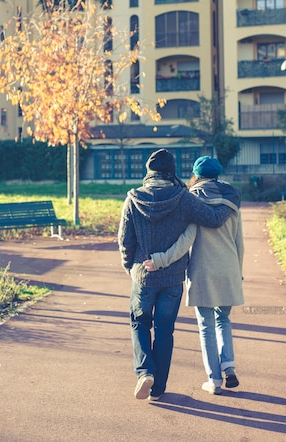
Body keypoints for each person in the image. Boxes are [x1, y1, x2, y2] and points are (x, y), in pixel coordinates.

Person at [118, 149, 234, 402]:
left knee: (139, 323)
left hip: (143, 275)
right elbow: (213, 219)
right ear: (171, 172)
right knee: (164, 330)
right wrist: (231, 200)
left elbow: (125, 241)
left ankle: (145, 371)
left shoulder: (133, 198)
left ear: (149, 173)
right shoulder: (183, 197)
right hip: (172, 278)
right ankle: (158, 388)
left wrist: (131, 269)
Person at [144, 156, 244, 396]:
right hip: (229, 268)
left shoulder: (192, 199)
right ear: (218, 174)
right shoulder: (232, 200)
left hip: (203, 270)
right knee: (224, 320)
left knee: (206, 325)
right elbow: (239, 242)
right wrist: (238, 272)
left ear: (196, 174)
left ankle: (214, 380)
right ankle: (228, 365)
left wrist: (160, 261)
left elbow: (186, 240)